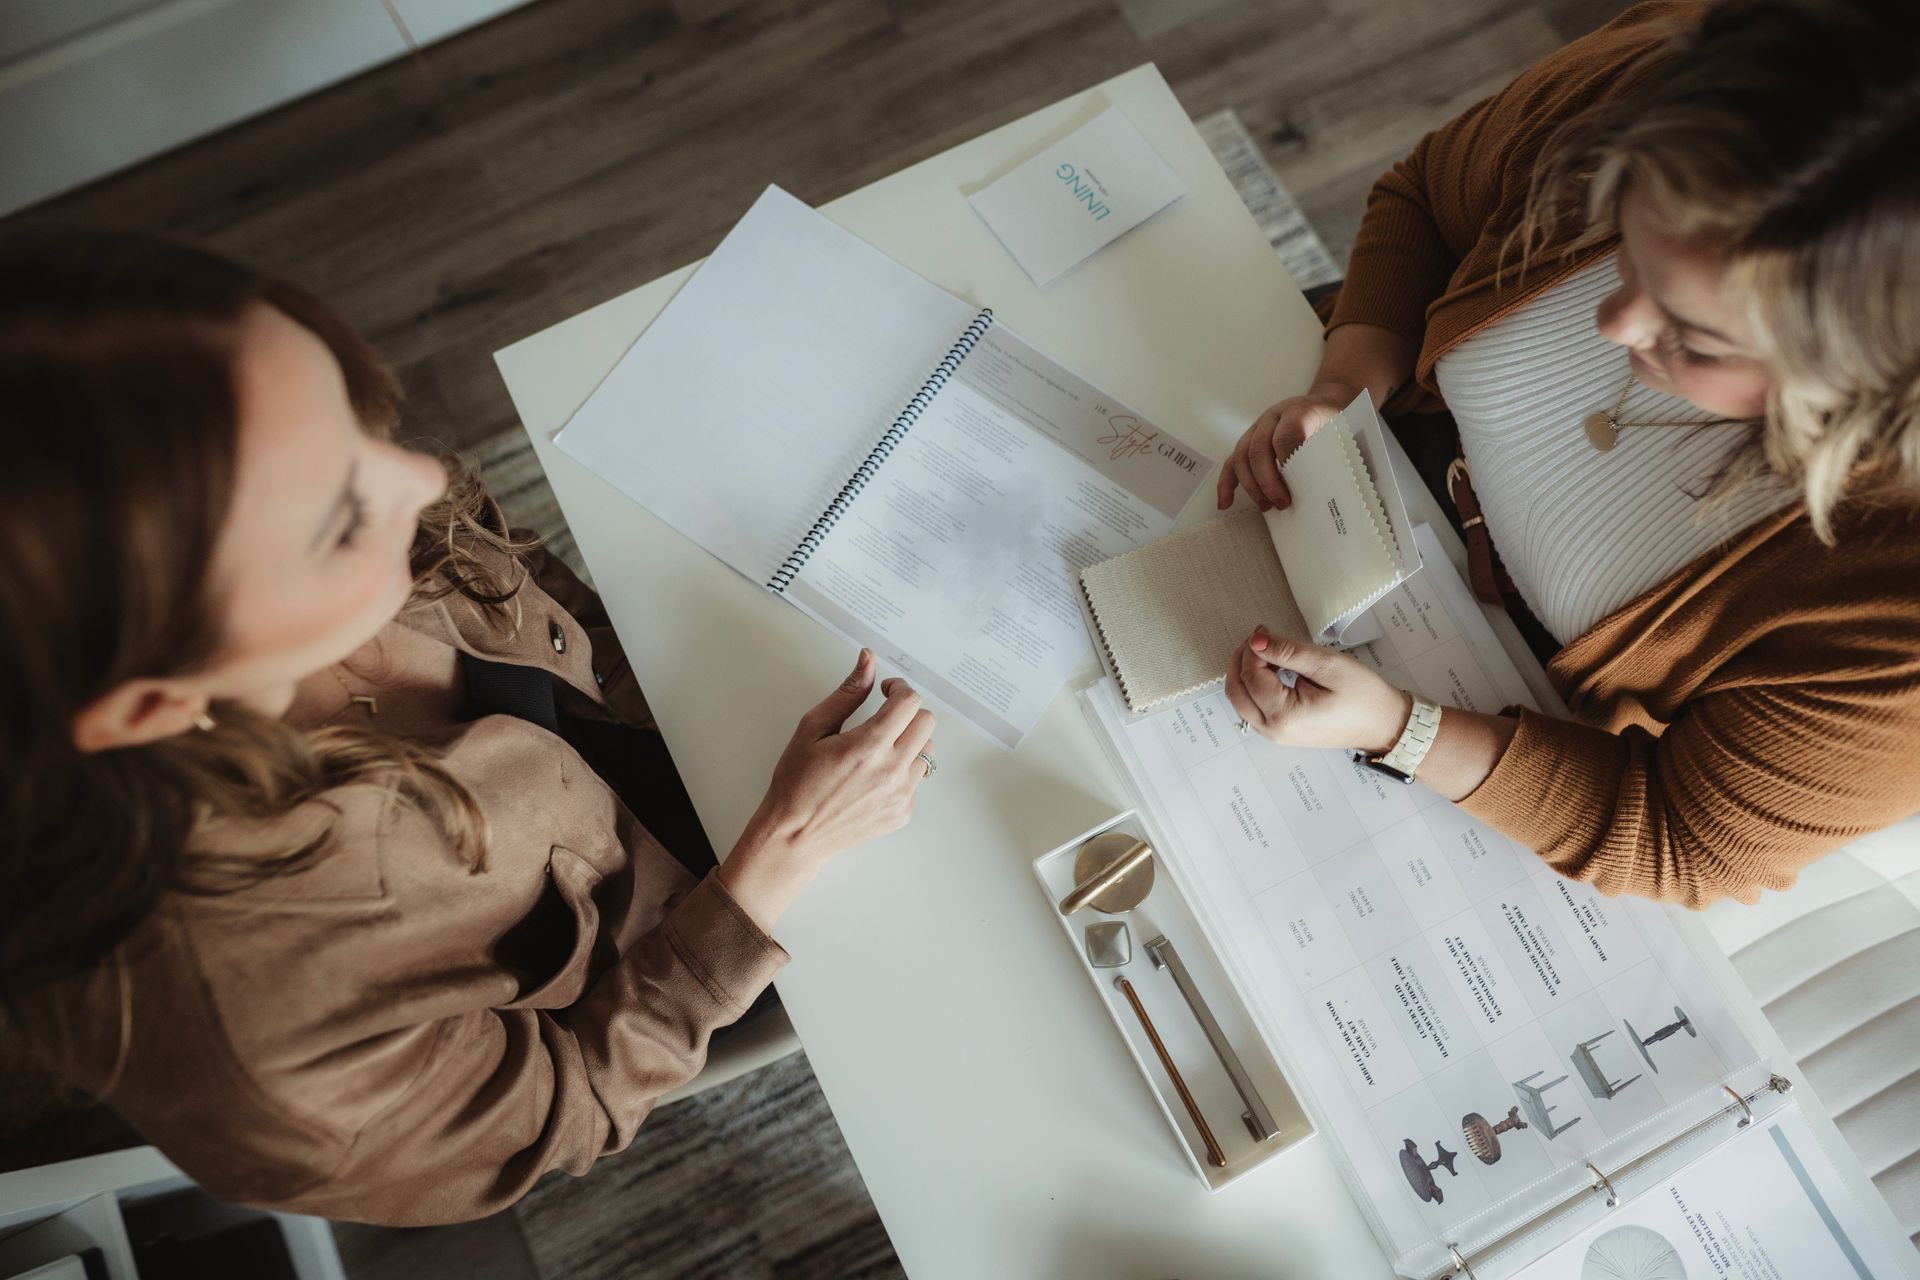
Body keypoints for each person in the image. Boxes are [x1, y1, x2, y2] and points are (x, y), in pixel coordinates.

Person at [0, 229, 936, 1224]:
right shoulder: (255, 1044)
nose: (415, 479)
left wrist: (667, 651)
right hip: (702, 943)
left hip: (695, 739)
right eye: (339, 521)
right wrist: (781, 855)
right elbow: (568, 1097)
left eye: (356, 429)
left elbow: (513, 581)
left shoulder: (246, 551)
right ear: (152, 702)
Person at [1215, 0, 1920, 906]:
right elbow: (1428, 196)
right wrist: (1340, 387)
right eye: (1625, 249)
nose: (1614, 321)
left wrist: (1403, 730)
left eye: (1697, 341)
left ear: (1869, 396)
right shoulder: (1690, 88)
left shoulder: (1895, 620)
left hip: (1489, 703)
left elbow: (1680, 839)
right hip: (1354, 416)